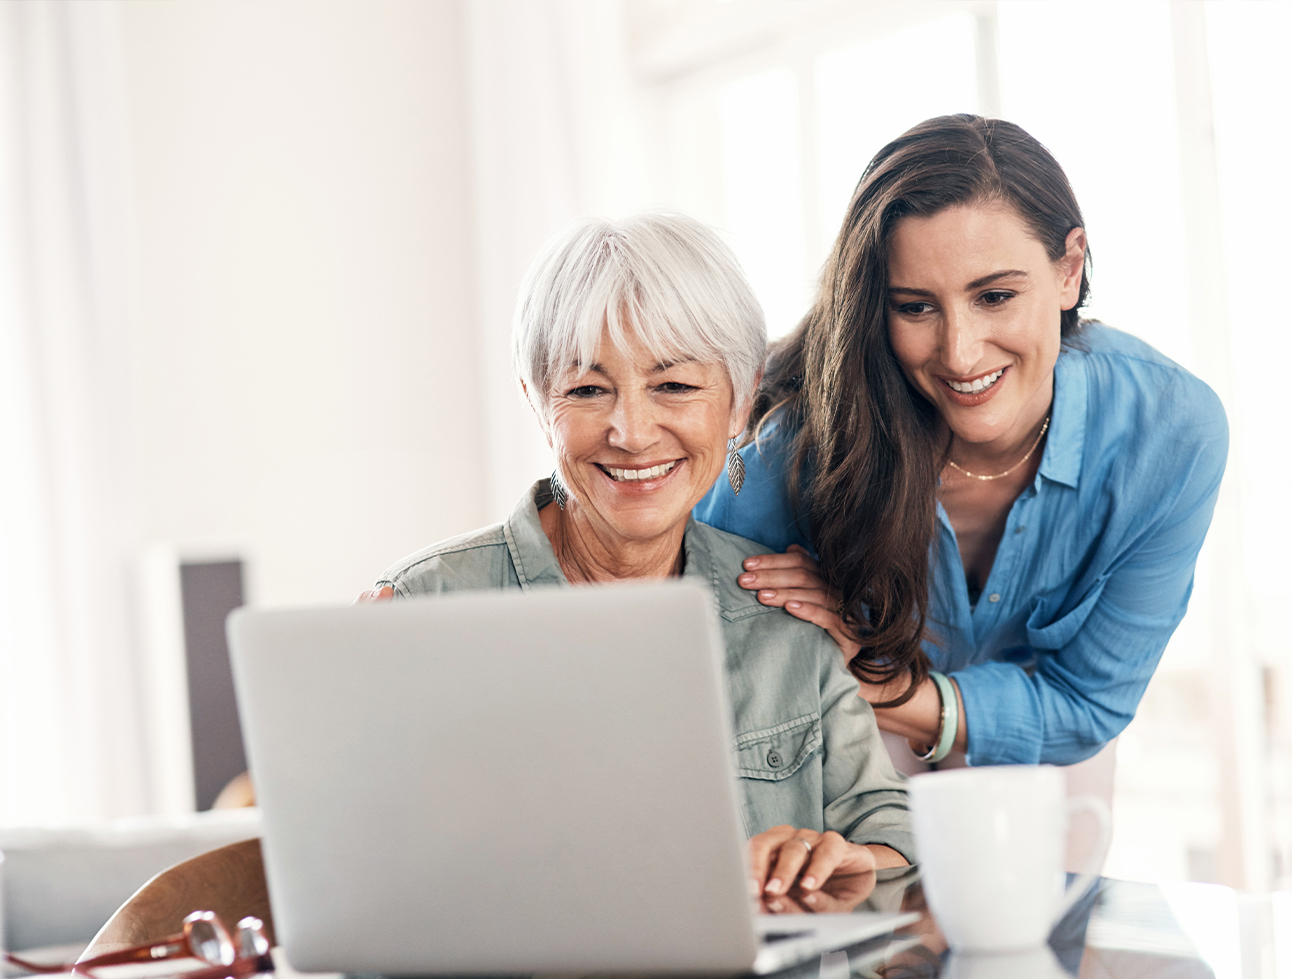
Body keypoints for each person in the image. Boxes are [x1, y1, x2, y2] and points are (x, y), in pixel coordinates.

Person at [365, 213, 913, 895]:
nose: (631, 431)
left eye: (675, 386)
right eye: (588, 390)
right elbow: (371, 894)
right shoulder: (423, 610)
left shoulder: (785, 616)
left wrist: (839, 858)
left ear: (740, 401)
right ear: (537, 403)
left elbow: (895, 833)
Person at [697, 115, 1227, 778]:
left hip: (1037, 747)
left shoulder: (1170, 431)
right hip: (843, 736)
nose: (960, 351)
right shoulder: (792, 445)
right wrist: (792, 636)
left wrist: (889, 684)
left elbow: (1086, 707)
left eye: (995, 296)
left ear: (1068, 269)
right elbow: (706, 660)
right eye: (915, 307)